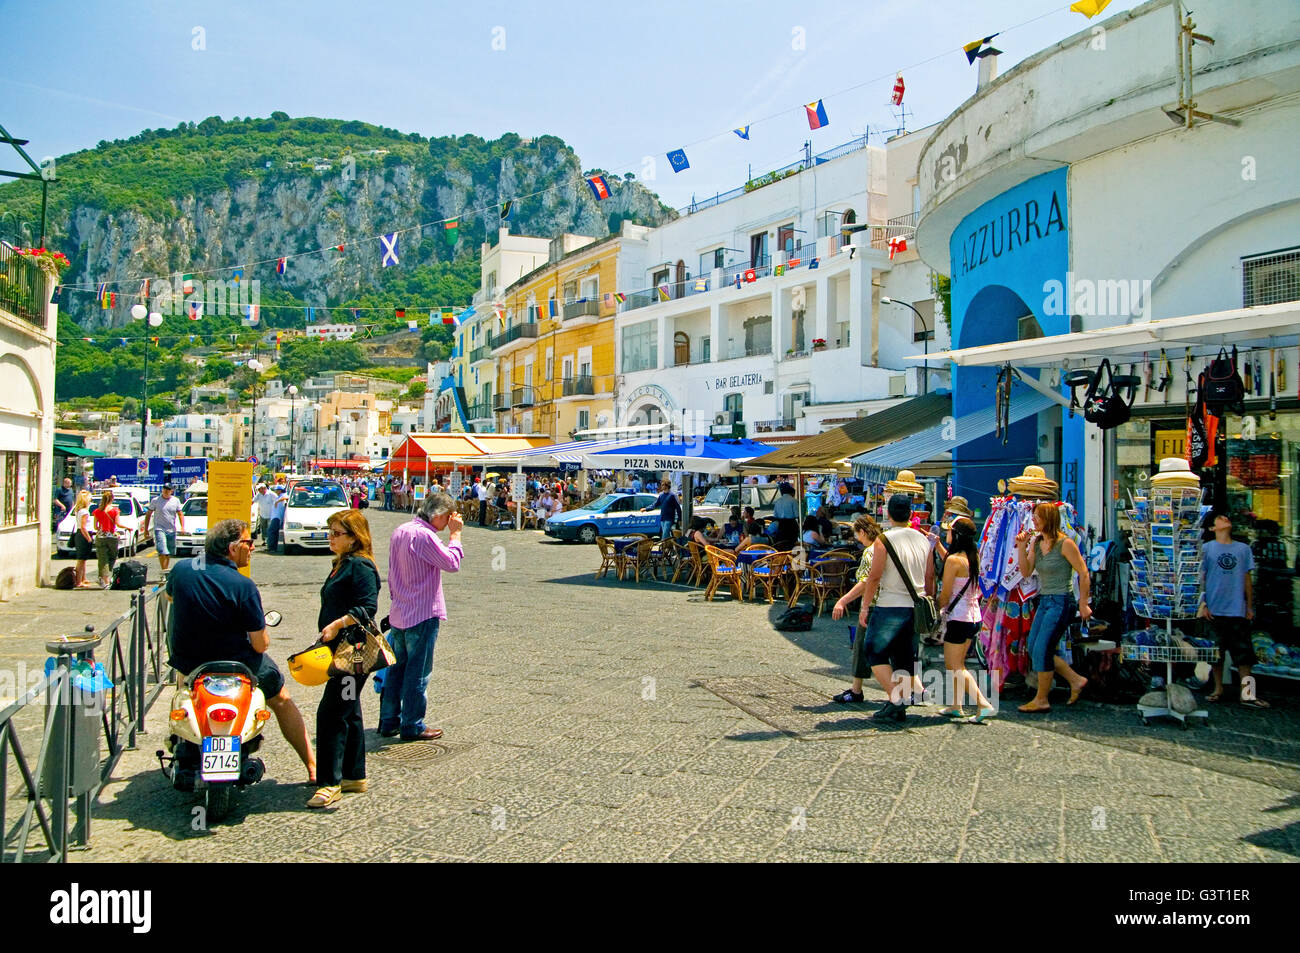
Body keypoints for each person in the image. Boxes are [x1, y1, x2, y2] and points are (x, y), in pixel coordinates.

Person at [167, 519, 316, 781]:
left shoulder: (181, 570)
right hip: (237, 663)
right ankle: (313, 767)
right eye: (248, 542)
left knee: (183, 685)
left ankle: (179, 740)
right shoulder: (243, 585)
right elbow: (260, 644)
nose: (253, 548)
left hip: (190, 662)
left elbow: (169, 596)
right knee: (281, 699)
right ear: (232, 548)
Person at [308, 508, 382, 809]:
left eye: (337, 533)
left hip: (353, 650)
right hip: (339, 648)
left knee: (330, 713)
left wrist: (337, 624)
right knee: (349, 710)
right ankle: (354, 775)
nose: (331, 537)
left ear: (354, 538)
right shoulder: (342, 564)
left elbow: (368, 608)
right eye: (330, 531)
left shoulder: (361, 567)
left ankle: (329, 783)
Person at [381, 493, 464, 741]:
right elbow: (451, 563)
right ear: (438, 515)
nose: (449, 522)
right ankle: (412, 724)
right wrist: (455, 535)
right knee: (418, 671)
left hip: (400, 611)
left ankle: (388, 720)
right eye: (448, 518)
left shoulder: (401, 530)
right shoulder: (425, 536)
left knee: (397, 670)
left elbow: (392, 570)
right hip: (423, 612)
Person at [846, 494, 933, 723]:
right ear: (911, 514)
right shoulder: (923, 539)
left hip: (890, 604)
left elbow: (873, 577)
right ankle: (899, 706)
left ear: (888, 513)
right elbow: (930, 576)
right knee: (904, 657)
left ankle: (896, 699)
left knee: (874, 650)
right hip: (915, 605)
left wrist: (864, 607)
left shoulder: (884, 540)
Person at [1014, 502, 1091, 713]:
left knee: (1042, 648)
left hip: (1061, 600)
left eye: (1038, 516)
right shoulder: (1037, 543)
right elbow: (1027, 571)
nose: (1034, 520)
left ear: (1049, 518)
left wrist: (1083, 603)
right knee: (1033, 646)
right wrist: (1022, 547)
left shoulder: (1064, 543)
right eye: (1034, 516)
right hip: (1046, 600)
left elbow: (1083, 572)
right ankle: (1075, 680)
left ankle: (1042, 698)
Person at [1200, 511, 1266, 708]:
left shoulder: (1243, 549)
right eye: (1220, 518)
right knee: (1215, 653)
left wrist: (1249, 605)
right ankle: (1218, 688)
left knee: (1244, 655)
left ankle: (1248, 693)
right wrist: (1202, 604)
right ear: (1212, 528)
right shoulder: (1206, 549)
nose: (1225, 519)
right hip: (1214, 608)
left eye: (1226, 518)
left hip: (1237, 608)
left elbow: (1247, 579)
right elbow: (1200, 579)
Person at [934, 517, 996, 723]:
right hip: (973, 616)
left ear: (957, 535)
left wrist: (933, 607)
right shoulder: (973, 556)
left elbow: (945, 594)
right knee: (958, 663)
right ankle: (956, 705)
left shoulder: (954, 561)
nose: (947, 534)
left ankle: (983, 704)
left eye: (950, 531)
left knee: (954, 665)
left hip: (958, 618)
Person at [831, 514, 883, 703]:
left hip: (873, 606)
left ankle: (857, 689)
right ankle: (910, 690)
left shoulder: (871, 552)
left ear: (862, 532)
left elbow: (865, 582)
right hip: (893, 604)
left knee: (862, 647)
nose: (857, 539)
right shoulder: (886, 547)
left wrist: (843, 600)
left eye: (857, 535)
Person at [141, 484, 185, 575]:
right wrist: (146, 529)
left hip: (171, 529)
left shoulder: (175, 500)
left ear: (171, 491)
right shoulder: (155, 501)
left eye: (168, 490)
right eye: (164, 489)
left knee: (168, 552)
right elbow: (148, 514)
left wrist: (182, 527)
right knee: (162, 550)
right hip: (159, 528)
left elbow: (180, 514)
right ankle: (164, 571)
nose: (166, 491)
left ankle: (165, 570)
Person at [93, 489, 121, 589]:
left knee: (102, 558)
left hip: (101, 536)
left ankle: (103, 579)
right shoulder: (115, 510)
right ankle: (107, 579)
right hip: (112, 536)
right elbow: (117, 523)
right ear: (112, 499)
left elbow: (96, 527)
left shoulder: (97, 511)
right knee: (112, 557)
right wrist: (127, 527)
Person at [71, 489, 96, 589]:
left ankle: (82, 578)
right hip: (83, 535)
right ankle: (78, 581)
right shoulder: (84, 512)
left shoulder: (78, 511)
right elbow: (83, 527)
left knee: (83, 559)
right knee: (81, 560)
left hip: (79, 534)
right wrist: (88, 538)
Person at [771, 483, 800, 549]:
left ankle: (782, 556)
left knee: (782, 543)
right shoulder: (793, 501)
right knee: (792, 544)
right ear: (792, 493)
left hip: (781, 524)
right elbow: (797, 515)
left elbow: (775, 516)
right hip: (791, 524)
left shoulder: (777, 501)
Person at [266, 483, 288, 553]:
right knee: (273, 532)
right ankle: (272, 547)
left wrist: (278, 501)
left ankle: (272, 547)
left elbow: (287, 498)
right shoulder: (278, 497)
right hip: (275, 516)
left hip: (277, 517)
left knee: (272, 532)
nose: (276, 491)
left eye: (277, 490)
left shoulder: (283, 495)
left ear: (280, 490)